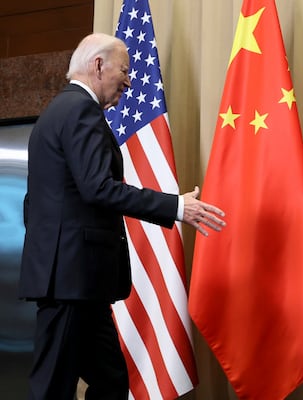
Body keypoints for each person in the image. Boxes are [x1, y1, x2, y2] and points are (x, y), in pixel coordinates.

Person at [18, 33, 226, 400]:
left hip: (76, 278)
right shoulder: (80, 111)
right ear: (98, 66)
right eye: (124, 70)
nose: (129, 81)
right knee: (53, 386)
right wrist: (176, 206)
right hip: (71, 279)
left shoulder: (57, 111)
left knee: (110, 380)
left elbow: (37, 202)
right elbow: (98, 187)